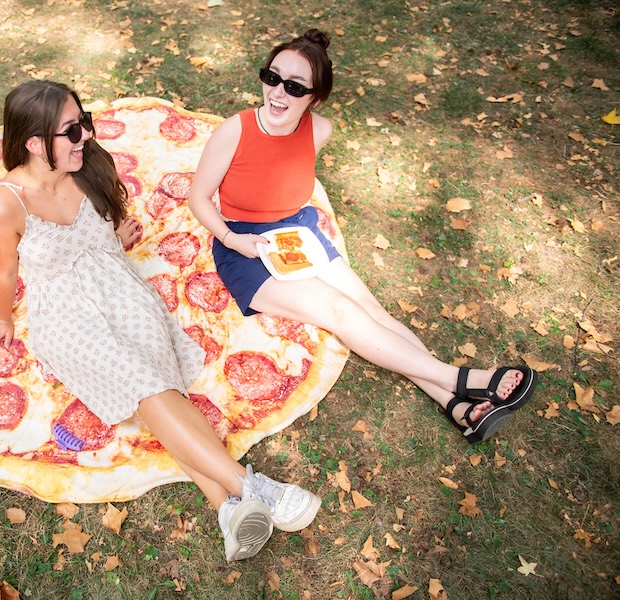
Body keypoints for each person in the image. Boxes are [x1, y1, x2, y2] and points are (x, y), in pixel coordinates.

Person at [0, 80, 321, 561]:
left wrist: (111, 238)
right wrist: (2, 319)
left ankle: (228, 510)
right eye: (71, 131)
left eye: (85, 123)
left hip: (122, 291)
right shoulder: (3, 203)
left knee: (162, 391)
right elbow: (6, 271)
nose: (86, 137)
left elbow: (93, 229)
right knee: (143, 384)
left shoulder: (85, 166)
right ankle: (256, 488)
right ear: (33, 143)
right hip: (66, 318)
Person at [188, 29, 539, 444]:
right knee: (340, 311)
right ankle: (467, 379)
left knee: (372, 310)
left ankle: (455, 406)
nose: (278, 93)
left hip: (297, 233)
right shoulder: (235, 130)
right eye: (272, 77)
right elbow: (197, 197)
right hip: (245, 248)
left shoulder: (320, 130)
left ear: (315, 97)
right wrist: (232, 240)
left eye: (295, 86)